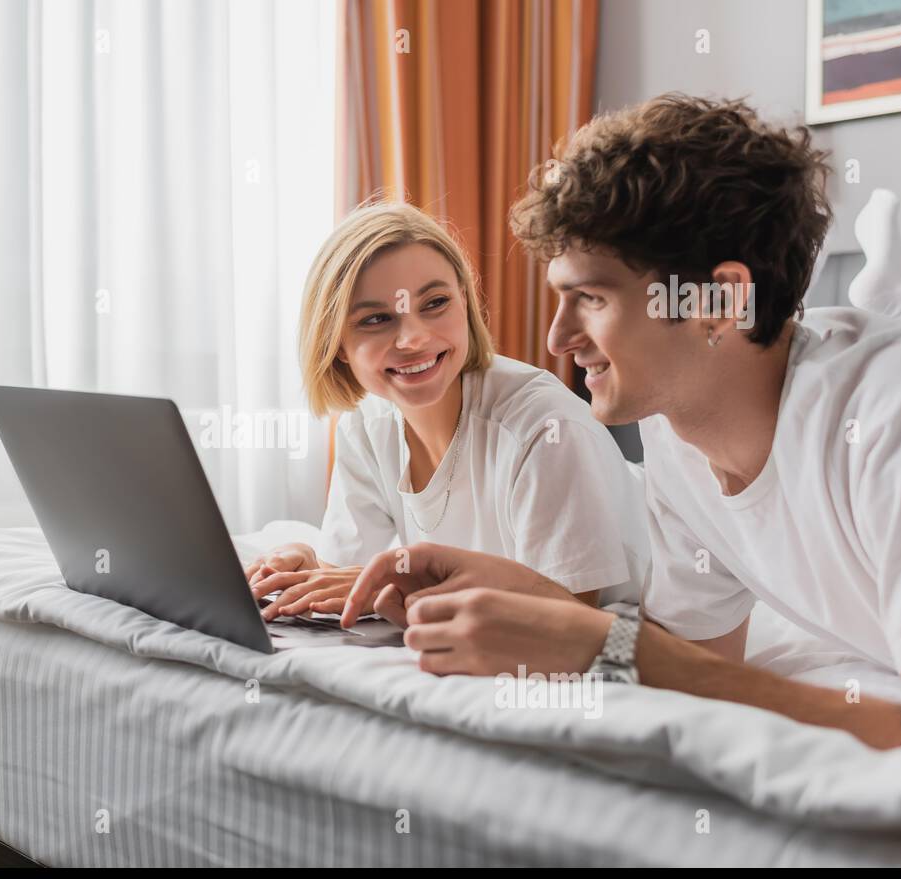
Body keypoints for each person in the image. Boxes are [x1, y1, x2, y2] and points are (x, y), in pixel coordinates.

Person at [341, 95, 901, 750]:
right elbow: (703, 663)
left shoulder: (881, 425)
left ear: (718, 300)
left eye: (592, 298)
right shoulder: (678, 435)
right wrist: (530, 595)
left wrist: (603, 644)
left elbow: (662, 663)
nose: (556, 338)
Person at [246, 201, 647, 621]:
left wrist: (400, 584)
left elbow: (571, 619)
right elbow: (343, 572)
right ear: (337, 346)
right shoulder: (366, 423)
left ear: (464, 302)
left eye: (435, 303)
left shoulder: (545, 427)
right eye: (377, 318)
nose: (414, 339)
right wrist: (306, 563)